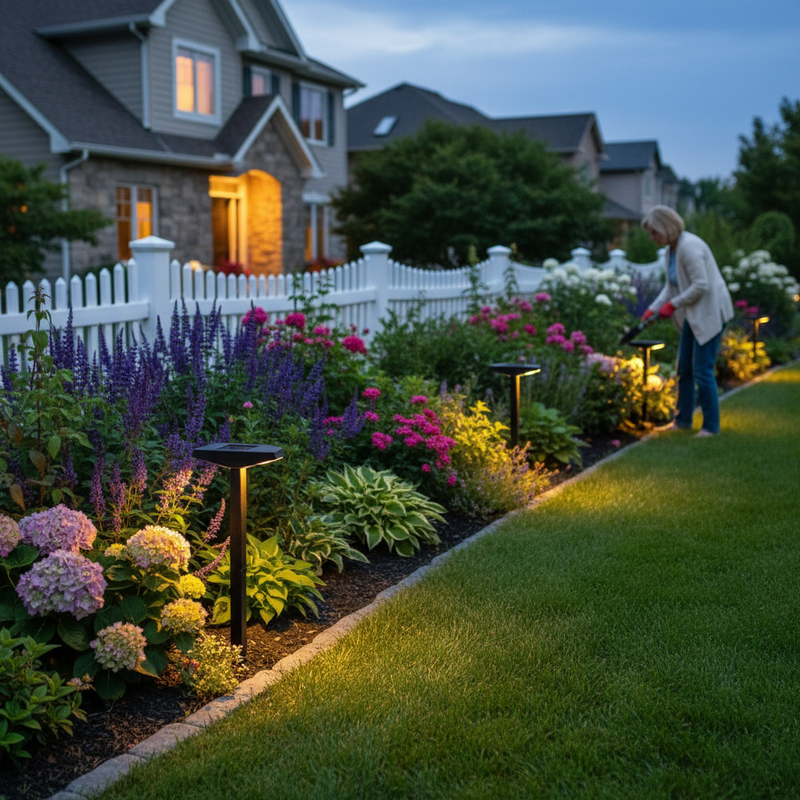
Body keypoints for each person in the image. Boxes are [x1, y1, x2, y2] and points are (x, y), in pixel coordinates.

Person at [641, 206, 733, 437]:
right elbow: (671, 286)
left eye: (654, 233)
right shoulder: (670, 251)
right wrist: (652, 309)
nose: (652, 238)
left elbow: (700, 285)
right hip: (694, 315)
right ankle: (682, 421)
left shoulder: (689, 247)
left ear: (665, 228)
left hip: (710, 313)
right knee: (684, 369)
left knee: (702, 370)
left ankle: (711, 427)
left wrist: (673, 305)